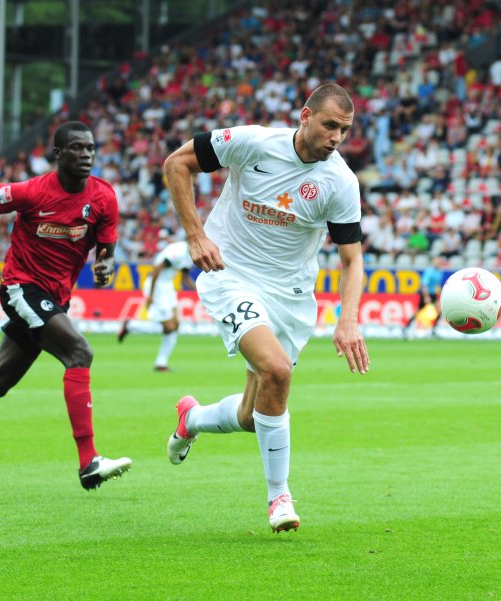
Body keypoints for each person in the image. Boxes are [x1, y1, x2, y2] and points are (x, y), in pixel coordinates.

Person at [163, 83, 370, 533]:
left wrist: (348, 319)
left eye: (345, 130)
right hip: (230, 275)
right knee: (278, 371)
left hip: (291, 298)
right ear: (305, 115)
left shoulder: (340, 183)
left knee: (253, 415)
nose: (336, 137)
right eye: (330, 125)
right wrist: (196, 235)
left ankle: (191, 419)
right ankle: (279, 497)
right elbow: (176, 164)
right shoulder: (253, 142)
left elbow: (352, 259)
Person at [0, 121, 132, 490]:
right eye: (77, 148)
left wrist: (105, 264)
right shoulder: (32, 192)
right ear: (58, 154)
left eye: (91, 148)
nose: (86, 155)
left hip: (56, 298)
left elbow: (106, 247)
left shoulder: (103, 197)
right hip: (21, 289)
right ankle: (89, 463)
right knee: (79, 352)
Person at [117, 239, 195, 372]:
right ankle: (131, 325)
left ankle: (161, 363)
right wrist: (151, 295)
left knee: (175, 325)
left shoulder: (191, 252)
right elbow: (156, 269)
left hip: (168, 286)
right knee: (169, 326)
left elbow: (185, 278)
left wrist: (200, 290)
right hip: (157, 285)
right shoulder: (178, 250)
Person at [403, 256, 445, 337]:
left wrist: (440, 293)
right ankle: (406, 327)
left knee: (439, 310)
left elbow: (437, 285)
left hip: (433, 294)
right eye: (437, 261)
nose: (438, 262)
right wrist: (426, 296)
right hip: (426, 293)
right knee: (418, 311)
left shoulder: (440, 272)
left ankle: (433, 329)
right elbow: (424, 285)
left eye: (439, 261)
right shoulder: (429, 271)